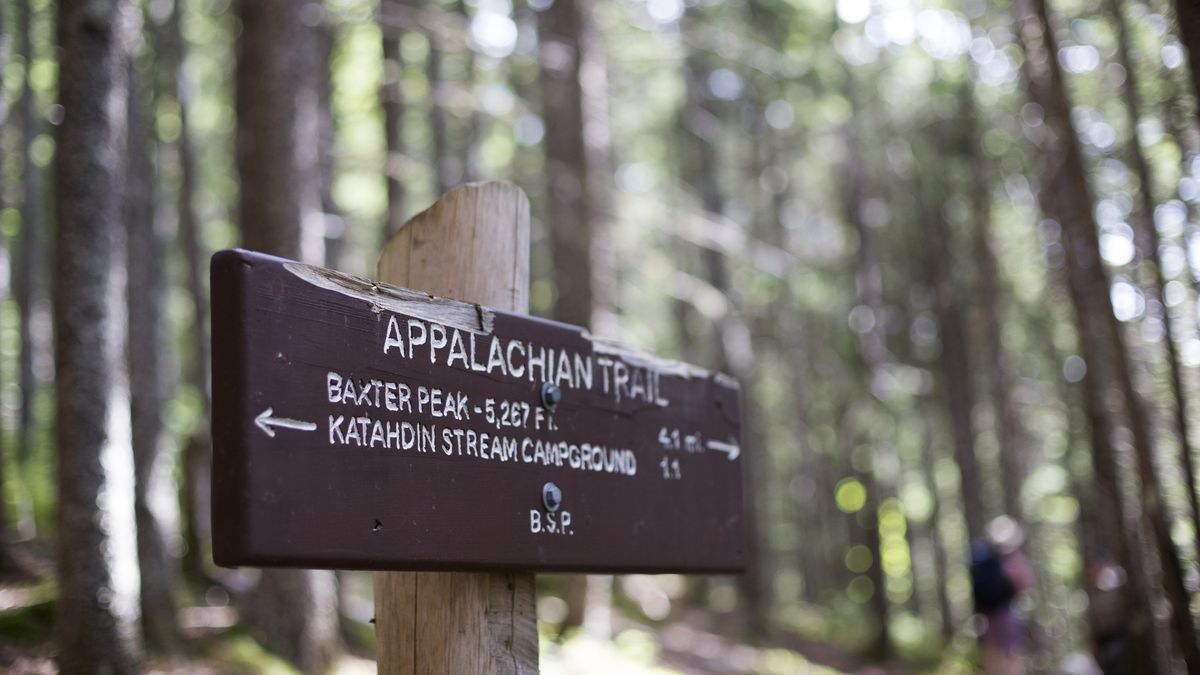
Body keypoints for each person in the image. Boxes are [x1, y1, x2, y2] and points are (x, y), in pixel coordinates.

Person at [970, 516, 1035, 674]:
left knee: (992, 653)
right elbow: (1025, 584)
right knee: (1012, 653)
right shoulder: (1012, 559)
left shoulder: (985, 557)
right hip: (1007, 611)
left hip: (986, 614)